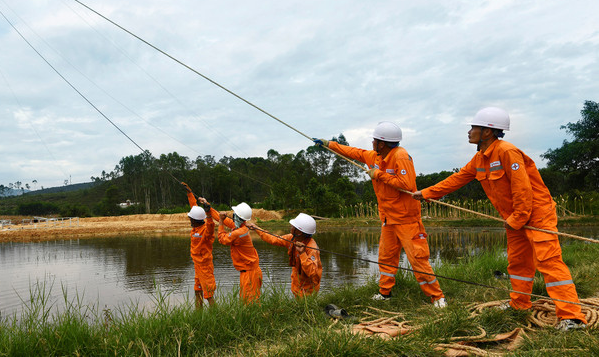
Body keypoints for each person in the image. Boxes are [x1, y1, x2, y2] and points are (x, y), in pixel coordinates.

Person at [412, 107, 587, 331]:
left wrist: (520, 218)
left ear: (487, 132)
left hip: (536, 216)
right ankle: (520, 304)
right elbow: (457, 179)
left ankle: (572, 317)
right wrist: (426, 193)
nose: (469, 131)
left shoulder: (507, 151)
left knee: (549, 262)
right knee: (518, 263)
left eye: (474, 127)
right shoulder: (480, 158)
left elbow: (522, 190)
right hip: (515, 218)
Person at [315, 122, 447, 308]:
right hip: (388, 219)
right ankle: (385, 293)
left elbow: (407, 184)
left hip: (407, 219)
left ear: (382, 143)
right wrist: (328, 144)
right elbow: (354, 152)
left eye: (375, 140)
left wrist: (379, 174)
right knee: (386, 257)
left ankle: (437, 297)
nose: (372, 142)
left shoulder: (401, 156)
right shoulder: (374, 156)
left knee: (418, 258)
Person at [245, 212, 322, 297]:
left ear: (299, 231)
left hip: (308, 289)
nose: (291, 227)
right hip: (297, 284)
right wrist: (257, 229)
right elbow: (274, 239)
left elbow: (312, 273)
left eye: (293, 227)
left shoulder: (311, 248)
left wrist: (302, 253)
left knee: (307, 308)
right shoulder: (292, 238)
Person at [201, 198, 263, 303]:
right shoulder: (242, 227)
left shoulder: (239, 233)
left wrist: (220, 221)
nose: (233, 216)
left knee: (250, 304)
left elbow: (222, 238)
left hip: (249, 274)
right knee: (247, 302)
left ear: (238, 217)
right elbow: (226, 220)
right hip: (250, 272)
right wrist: (208, 207)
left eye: (235, 214)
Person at [181, 182, 217, 308]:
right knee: (197, 291)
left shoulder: (206, 230)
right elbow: (194, 207)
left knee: (209, 295)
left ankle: (217, 318)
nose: (189, 219)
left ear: (195, 220)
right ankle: (198, 316)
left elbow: (211, 226)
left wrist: (208, 214)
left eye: (191, 218)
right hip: (197, 266)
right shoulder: (195, 228)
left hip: (205, 267)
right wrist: (189, 193)